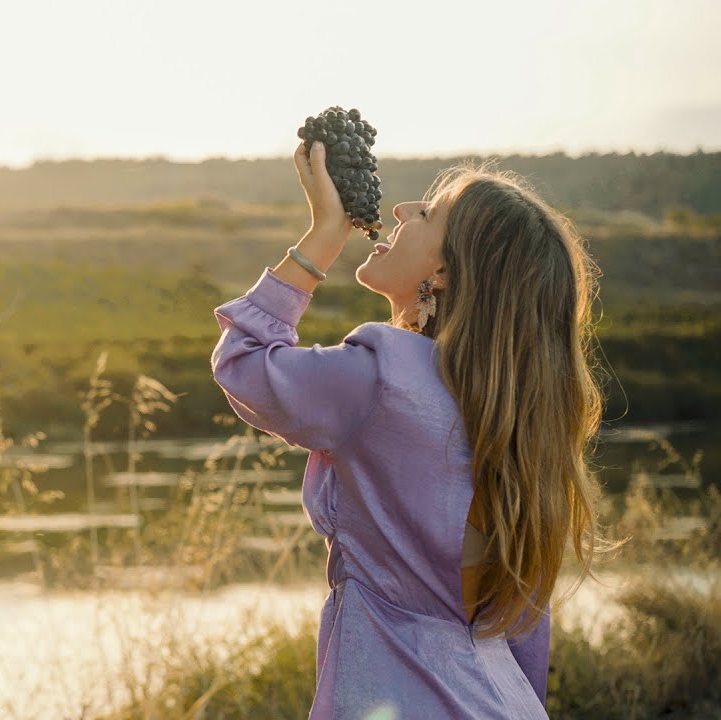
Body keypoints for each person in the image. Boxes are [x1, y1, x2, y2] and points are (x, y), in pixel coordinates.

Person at [210, 139, 618, 718]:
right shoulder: (517, 417)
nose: (401, 211)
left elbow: (243, 362)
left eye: (427, 213)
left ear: (446, 271)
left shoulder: (384, 376)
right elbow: (523, 628)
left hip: (400, 691)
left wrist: (324, 233)